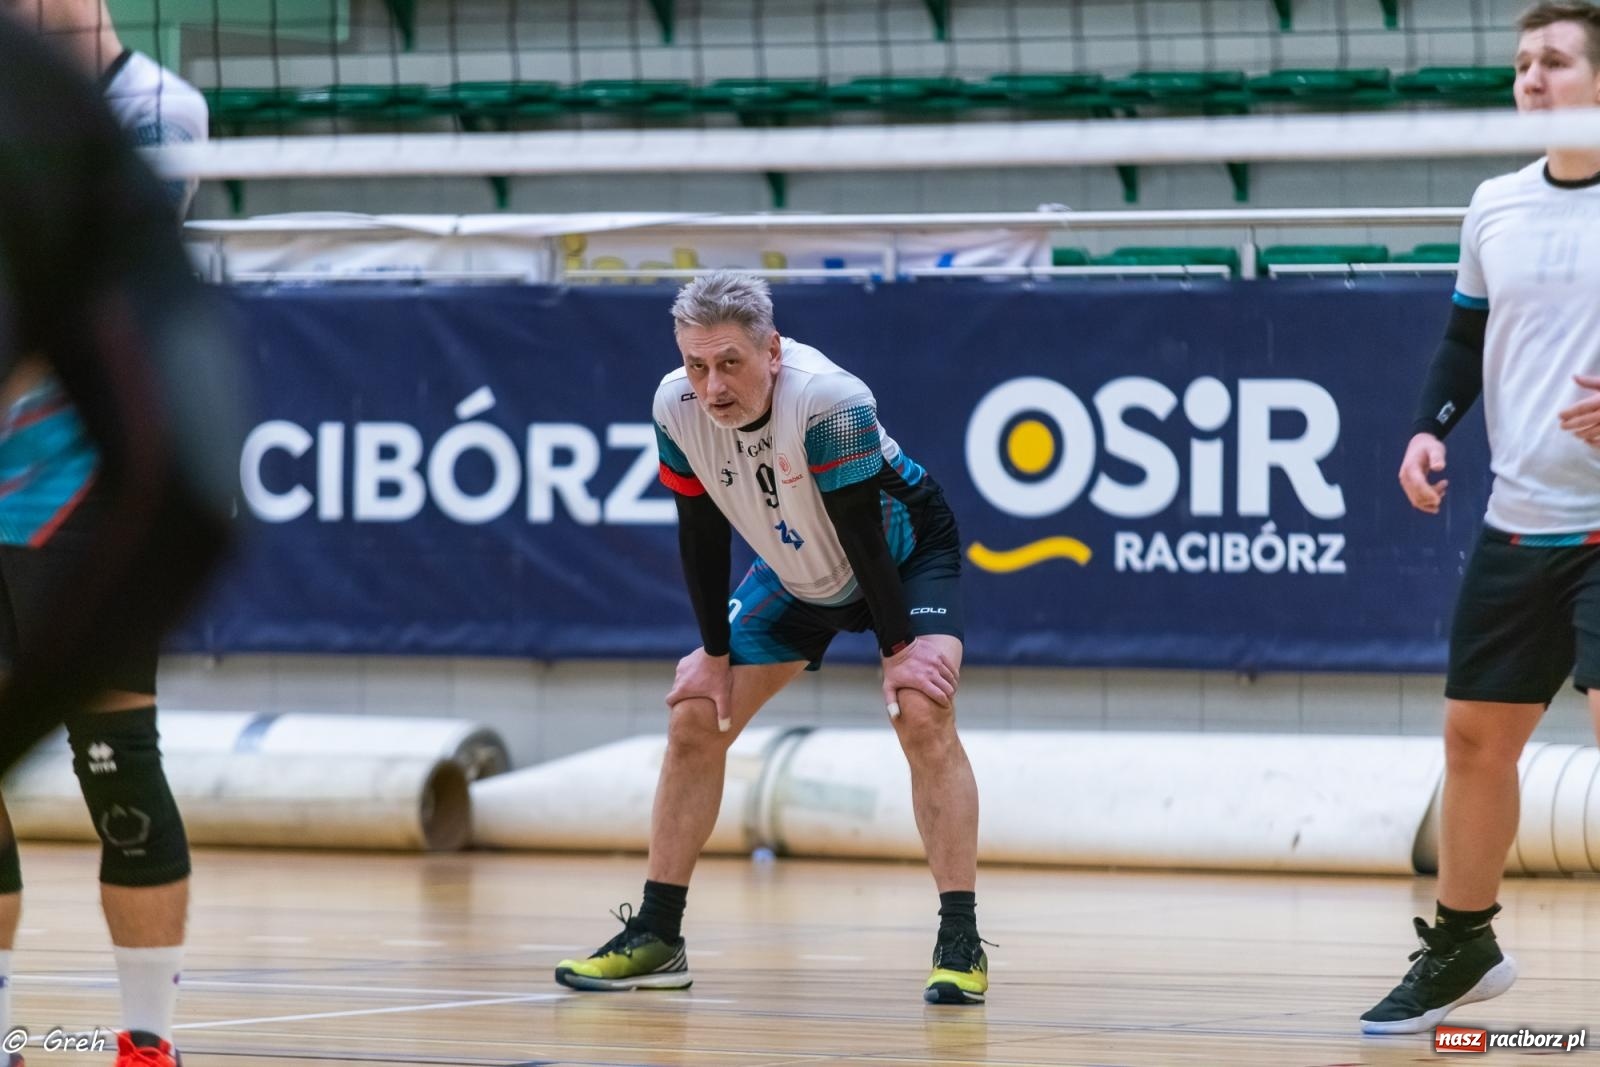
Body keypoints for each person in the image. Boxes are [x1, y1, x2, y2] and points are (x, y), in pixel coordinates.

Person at [554, 271, 988, 1004]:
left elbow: (861, 533)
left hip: (903, 555)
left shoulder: (830, 399)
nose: (713, 386)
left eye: (730, 363)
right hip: (796, 570)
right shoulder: (674, 405)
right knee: (697, 713)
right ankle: (658, 936)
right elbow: (699, 530)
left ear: (773, 351)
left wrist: (897, 652)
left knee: (921, 708)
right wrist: (713, 654)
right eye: (697, 365)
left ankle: (960, 940)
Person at [0, 5, 231, 1065]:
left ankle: (147, 1039)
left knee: (118, 768)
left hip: (81, 493)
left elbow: (82, 294)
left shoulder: (152, 105)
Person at [1366, 0, 1600, 1036]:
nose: (1531, 79)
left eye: (1554, 60)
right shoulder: (1494, 204)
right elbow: (1465, 341)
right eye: (1521, 63)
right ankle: (1464, 944)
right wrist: (1429, 428)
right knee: (1472, 739)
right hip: (1519, 519)